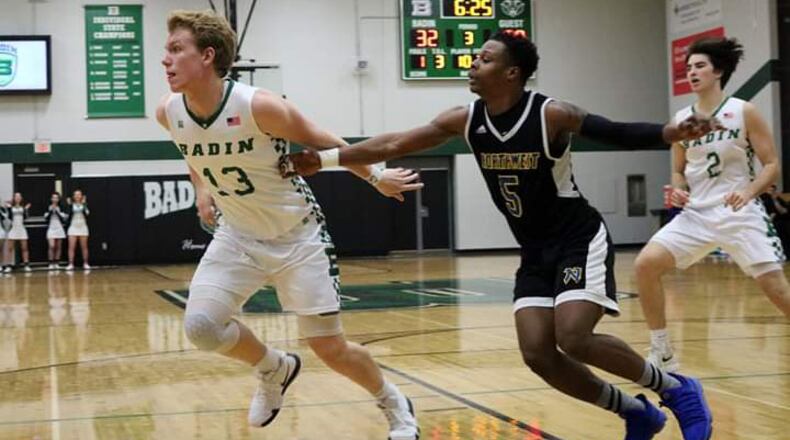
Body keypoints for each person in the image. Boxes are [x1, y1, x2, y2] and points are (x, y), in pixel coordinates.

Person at [282, 31, 718, 439]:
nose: (473, 65)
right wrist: (326, 160)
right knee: (538, 354)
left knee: (574, 337)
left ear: (511, 73)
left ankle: (677, 388)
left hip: (576, 239)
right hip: (533, 250)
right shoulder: (466, 119)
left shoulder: (551, 113)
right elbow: (395, 143)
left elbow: (613, 131)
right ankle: (634, 411)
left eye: (484, 59)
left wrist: (668, 133)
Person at [155, 10, 421, 438]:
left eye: (175, 50)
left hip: (297, 237)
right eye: (166, 51)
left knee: (330, 349)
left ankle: (395, 403)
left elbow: (327, 141)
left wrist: (376, 177)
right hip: (237, 237)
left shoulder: (258, 105)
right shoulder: (169, 112)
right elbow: (192, 152)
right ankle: (273, 368)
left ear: (207, 56)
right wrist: (202, 189)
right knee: (201, 327)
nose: (165, 60)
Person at [632, 37, 790, 372]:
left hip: (739, 213)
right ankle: (662, 350)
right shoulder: (682, 118)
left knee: (778, 292)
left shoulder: (743, 111)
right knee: (645, 265)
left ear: (718, 71)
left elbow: (773, 164)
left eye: (699, 65)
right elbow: (678, 169)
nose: (692, 72)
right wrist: (677, 190)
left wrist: (749, 192)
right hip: (697, 215)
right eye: (688, 67)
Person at [4, 193, 32, 273]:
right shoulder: (11, 207)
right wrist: (8, 208)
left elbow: (26, 217)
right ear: (14, 198)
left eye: (19, 196)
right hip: (13, 229)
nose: (17, 198)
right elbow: (9, 217)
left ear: (21, 198)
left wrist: (26, 209)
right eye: (16, 196)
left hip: (21, 229)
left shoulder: (23, 207)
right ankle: (8, 266)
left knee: (24, 248)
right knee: (10, 248)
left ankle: (26, 265)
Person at [66, 190, 91, 271]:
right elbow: (68, 215)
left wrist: (84, 204)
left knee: (84, 247)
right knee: (71, 247)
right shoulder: (71, 205)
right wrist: (69, 205)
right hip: (73, 227)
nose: (77, 196)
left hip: (83, 227)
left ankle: (85, 263)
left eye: (79, 194)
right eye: (75, 195)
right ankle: (70, 264)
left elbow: (87, 213)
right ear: (73, 196)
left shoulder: (84, 205)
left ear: (81, 196)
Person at [45, 192, 68, 270]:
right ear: (51, 199)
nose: (55, 199)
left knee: (58, 246)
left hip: (59, 227)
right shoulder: (48, 207)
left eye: (56, 198)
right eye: (53, 197)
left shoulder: (62, 207)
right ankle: (51, 262)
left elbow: (63, 218)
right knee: (51, 246)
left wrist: (57, 211)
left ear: (58, 199)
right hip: (51, 227)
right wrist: (51, 211)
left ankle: (57, 262)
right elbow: (46, 218)